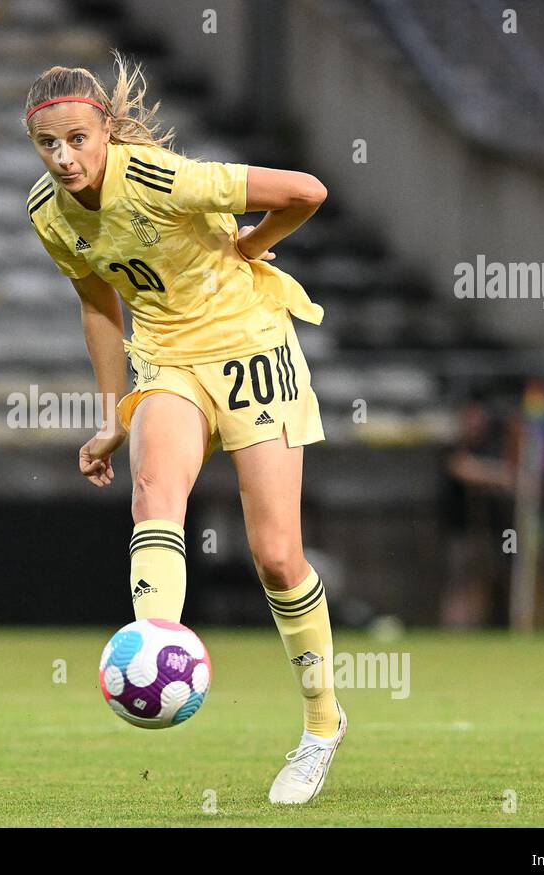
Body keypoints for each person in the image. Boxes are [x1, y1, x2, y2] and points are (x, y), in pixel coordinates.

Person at [23, 53, 343, 804]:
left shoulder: (162, 180)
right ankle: (158, 650)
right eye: (48, 145)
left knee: (275, 556)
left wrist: (250, 248)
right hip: (168, 360)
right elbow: (99, 304)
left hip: (250, 349)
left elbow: (307, 192)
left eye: (76, 139)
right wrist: (110, 419)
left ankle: (323, 723)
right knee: (153, 493)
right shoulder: (47, 211)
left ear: (105, 130)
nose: (64, 158)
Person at [439, 400, 513, 628]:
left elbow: (507, 477)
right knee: (458, 582)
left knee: (483, 582)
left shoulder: (490, 447)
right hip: (459, 530)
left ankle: (475, 626)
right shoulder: (452, 447)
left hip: (487, 529)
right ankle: (454, 629)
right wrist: (494, 474)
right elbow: (464, 469)